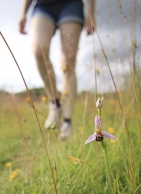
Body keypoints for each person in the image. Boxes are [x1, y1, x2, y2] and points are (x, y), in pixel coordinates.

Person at [19, 0, 95, 139]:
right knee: (38, 50)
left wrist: (91, 13)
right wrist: (23, 13)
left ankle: (67, 121)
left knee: (68, 63)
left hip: (71, 5)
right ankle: (55, 103)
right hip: (43, 6)